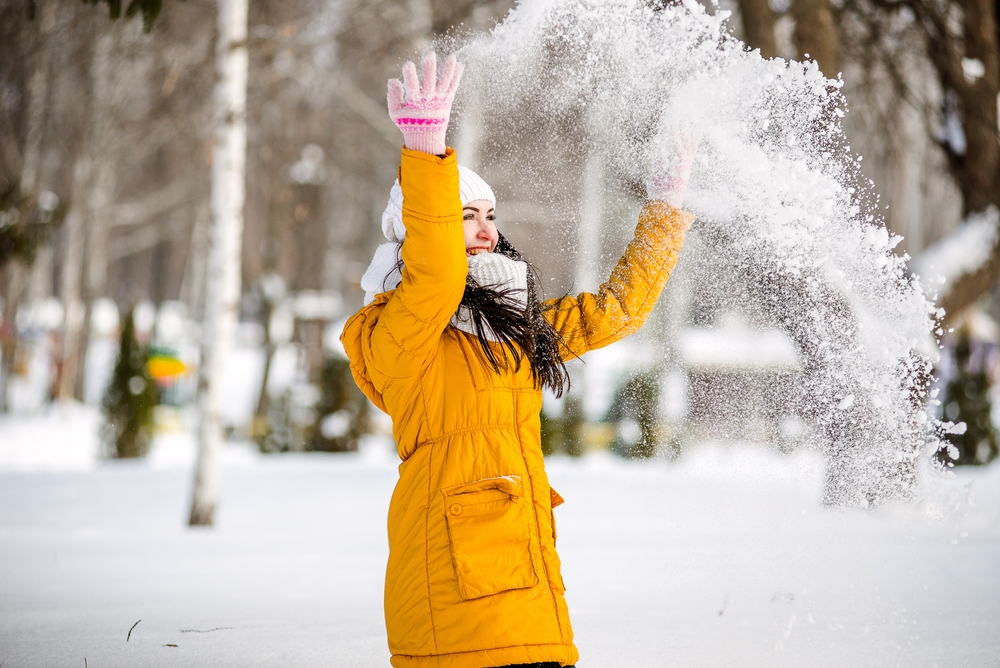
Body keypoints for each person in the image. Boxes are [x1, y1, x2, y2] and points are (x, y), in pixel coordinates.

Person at [341, 51, 697, 668]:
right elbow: (436, 278)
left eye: (489, 216)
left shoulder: (510, 329)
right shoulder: (395, 331)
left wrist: (664, 209)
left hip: (523, 577)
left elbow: (616, 311)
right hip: (450, 585)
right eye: (463, 217)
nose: (483, 230)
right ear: (418, 232)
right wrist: (426, 154)